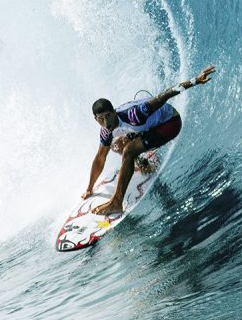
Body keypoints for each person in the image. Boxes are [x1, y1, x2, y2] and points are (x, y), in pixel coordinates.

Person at [85, 65, 216, 215]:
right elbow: (100, 158)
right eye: (100, 119)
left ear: (114, 112)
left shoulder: (135, 115)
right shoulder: (105, 131)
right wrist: (89, 188)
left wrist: (196, 80)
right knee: (115, 146)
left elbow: (165, 95)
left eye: (108, 116)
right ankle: (144, 165)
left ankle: (116, 202)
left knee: (129, 150)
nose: (105, 121)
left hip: (170, 123)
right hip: (147, 128)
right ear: (96, 119)